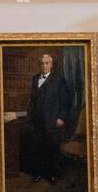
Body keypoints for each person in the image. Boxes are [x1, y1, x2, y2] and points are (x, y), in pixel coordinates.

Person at [27, 54, 72, 185]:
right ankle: (40, 172)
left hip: (52, 120)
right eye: (41, 63)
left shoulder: (58, 79)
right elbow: (33, 101)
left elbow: (65, 100)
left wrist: (61, 117)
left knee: (53, 148)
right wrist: (30, 117)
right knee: (38, 148)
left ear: (51, 65)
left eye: (47, 63)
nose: (44, 65)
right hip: (37, 121)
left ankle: (53, 174)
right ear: (39, 65)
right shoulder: (35, 79)